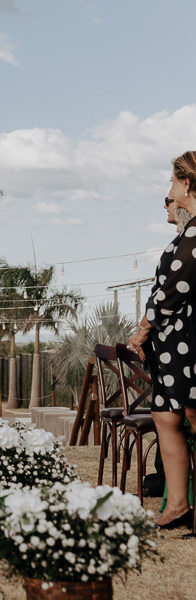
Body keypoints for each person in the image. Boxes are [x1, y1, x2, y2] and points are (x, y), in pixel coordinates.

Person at [128, 150, 196, 529]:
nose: (170, 192)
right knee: (164, 415)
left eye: (172, 183)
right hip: (174, 346)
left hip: (188, 343)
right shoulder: (188, 232)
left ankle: (185, 506)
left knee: (191, 417)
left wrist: (142, 330)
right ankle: (177, 506)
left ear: (186, 183)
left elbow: (172, 290)